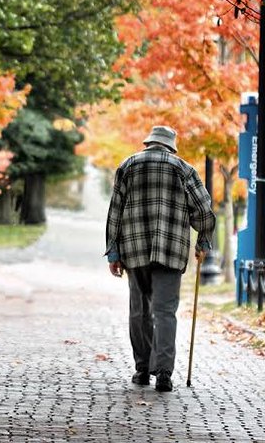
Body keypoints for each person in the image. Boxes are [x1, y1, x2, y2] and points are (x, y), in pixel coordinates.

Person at [104, 125, 215, 392]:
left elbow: (115, 211)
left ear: (149, 143)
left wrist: (114, 251)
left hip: (134, 249)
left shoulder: (127, 166)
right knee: (165, 312)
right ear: (171, 145)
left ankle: (142, 369)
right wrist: (203, 240)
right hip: (171, 250)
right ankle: (164, 374)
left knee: (139, 310)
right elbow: (204, 209)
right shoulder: (184, 169)